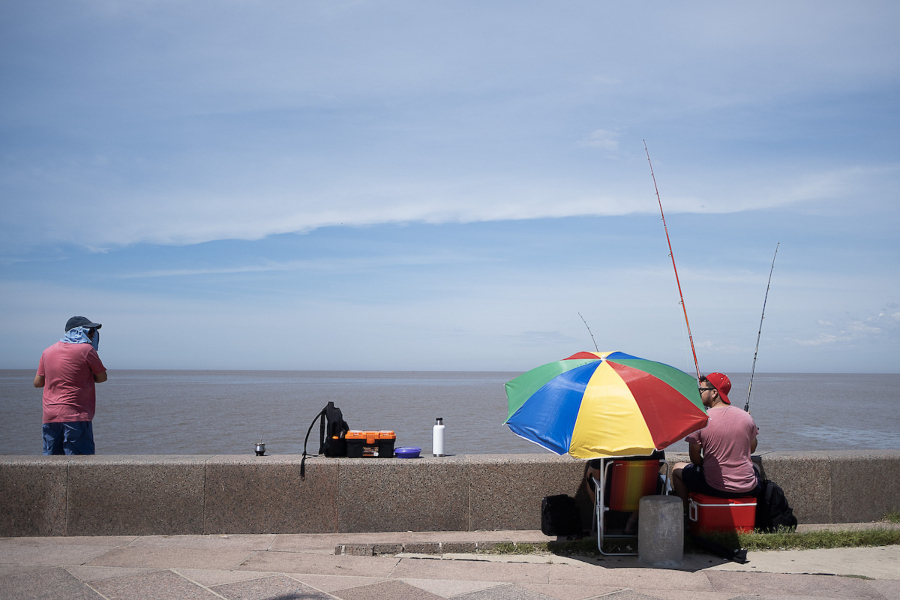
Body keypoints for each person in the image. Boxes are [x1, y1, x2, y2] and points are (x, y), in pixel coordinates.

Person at [673, 372, 759, 508]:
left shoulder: (701, 419)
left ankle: (684, 515)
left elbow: (694, 457)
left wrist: (707, 464)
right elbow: (752, 449)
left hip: (714, 487)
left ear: (714, 393)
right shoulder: (746, 417)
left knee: (677, 469)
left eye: (702, 390)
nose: (699, 393)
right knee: (756, 468)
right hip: (747, 487)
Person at [33, 316, 107, 455]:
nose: (93, 334)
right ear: (80, 332)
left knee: (52, 464)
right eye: (91, 330)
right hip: (76, 415)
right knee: (79, 465)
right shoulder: (87, 350)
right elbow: (102, 377)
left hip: (50, 415)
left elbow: (37, 383)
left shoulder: (47, 351)